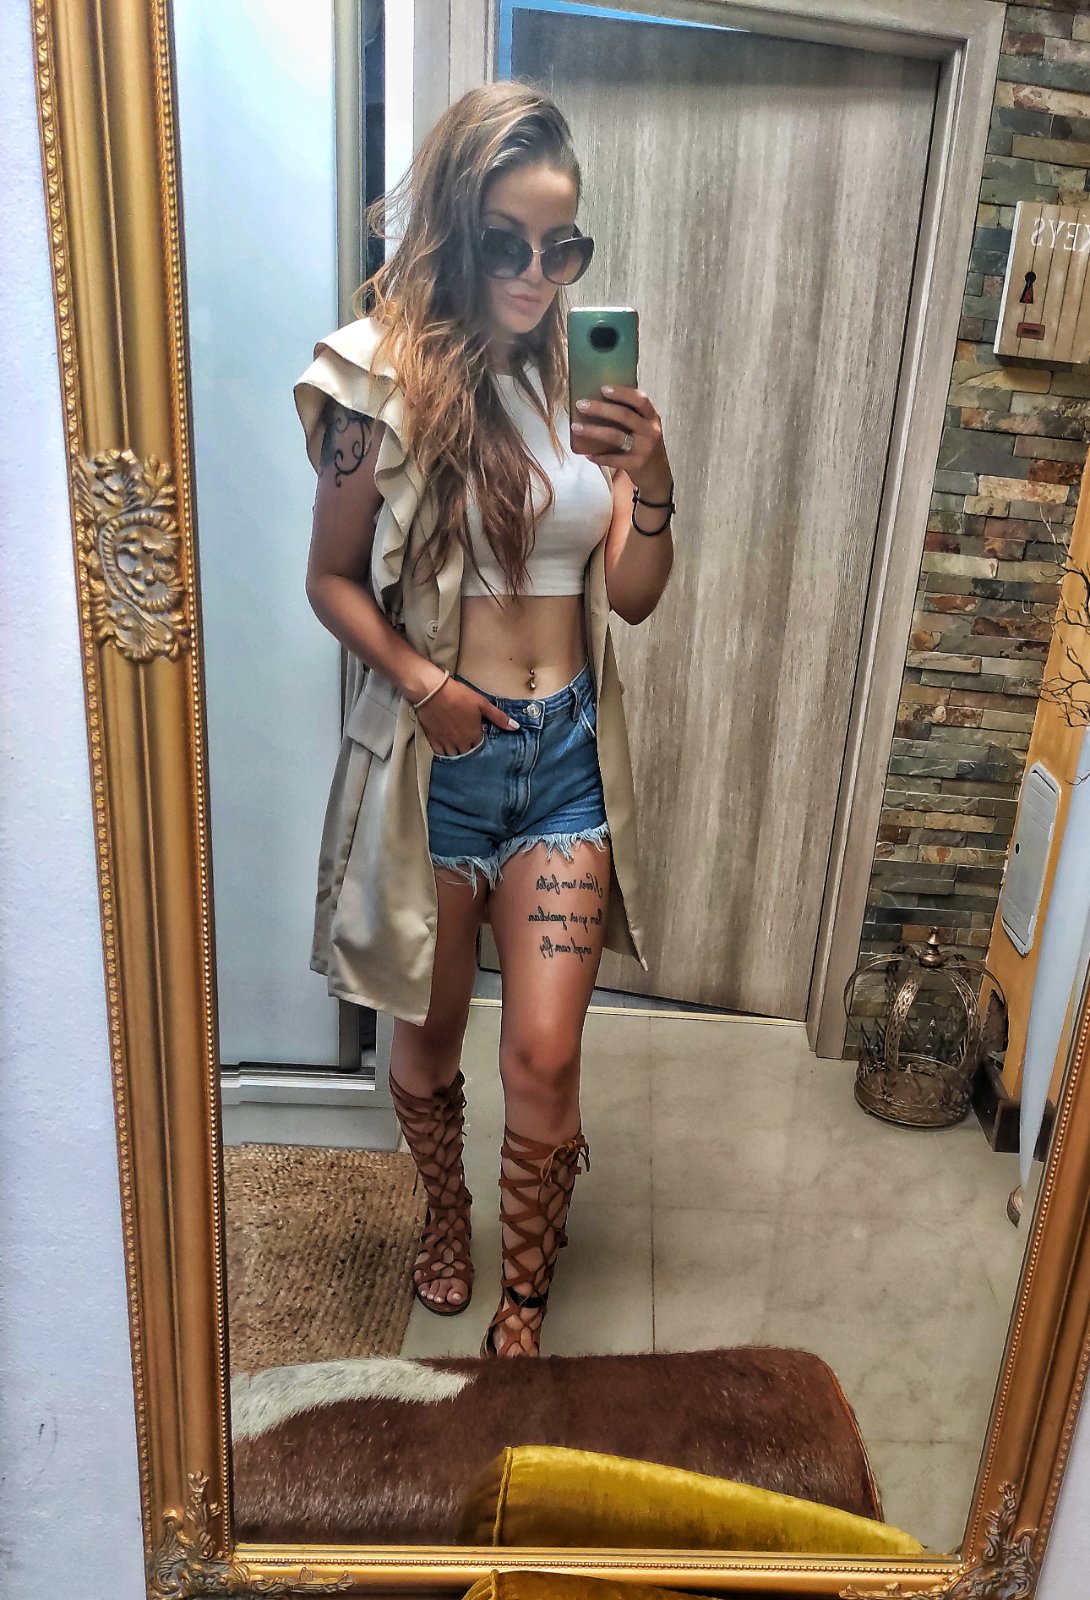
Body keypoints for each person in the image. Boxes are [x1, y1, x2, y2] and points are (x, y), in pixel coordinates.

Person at [295, 82, 674, 1358]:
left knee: (546, 1060)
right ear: (456, 225)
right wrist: (425, 684)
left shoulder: (580, 387)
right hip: (438, 766)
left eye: (560, 248)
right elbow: (329, 581)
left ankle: (522, 1290)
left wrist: (652, 482)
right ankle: (445, 1213)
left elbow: (632, 593)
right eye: (505, 241)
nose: (532, 273)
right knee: (428, 1039)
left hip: (563, 762)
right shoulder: (378, 383)